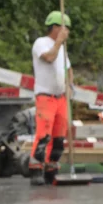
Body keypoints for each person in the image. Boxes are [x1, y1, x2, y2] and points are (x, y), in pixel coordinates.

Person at [28, 10, 72, 186]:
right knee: (44, 134)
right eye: (65, 28)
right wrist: (59, 42)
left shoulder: (63, 49)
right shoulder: (41, 43)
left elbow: (68, 68)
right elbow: (49, 58)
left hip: (60, 97)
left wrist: (69, 85)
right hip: (46, 96)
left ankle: (51, 168)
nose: (67, 32)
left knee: (59, 136)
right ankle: (36, 168)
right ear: (55, 27)